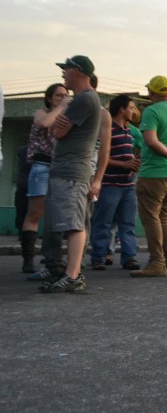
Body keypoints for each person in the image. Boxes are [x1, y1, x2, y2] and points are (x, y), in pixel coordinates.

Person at [39, 56, 102, 294]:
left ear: (76, 71)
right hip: (66, 170)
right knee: (68, 222)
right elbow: (56, 129)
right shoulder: (83, 99)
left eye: (66, 70)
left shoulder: (84, 99)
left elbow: (58, 132)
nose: (63, 74)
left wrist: (60, 114)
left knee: (75, 224)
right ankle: (69, 273)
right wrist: (58, 125)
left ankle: (73, 275)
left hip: (72, 171)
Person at [132, 75, 167, 278]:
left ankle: (157, 262)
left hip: (154, 174)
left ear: (151, 92)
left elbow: (150, 140)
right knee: (164, 216)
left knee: (151, 218)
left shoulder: (151, 111)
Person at [89, 94, 142, 271]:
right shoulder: (108, 129)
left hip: (128, 185)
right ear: (122, 109)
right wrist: (124, 164)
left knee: (127, 224)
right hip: (110, 185)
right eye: (131, 107)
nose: (133, 111)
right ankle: (99, 257)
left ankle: (129, 257)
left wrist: (132, 163)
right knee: (103, 222)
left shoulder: (128, 131)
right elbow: (101, 157)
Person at [21, 83, 69, 277]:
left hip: (59, 168)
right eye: (58, 96)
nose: (63, 98)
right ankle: (28, 258)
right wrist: (62, 106)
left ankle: (53, 259)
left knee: (56, 216)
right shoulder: (41, 112)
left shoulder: (65, 117)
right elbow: (44, 123)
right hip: (41, 166)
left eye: (66, 95)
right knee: (35, 213)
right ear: (49, 99)